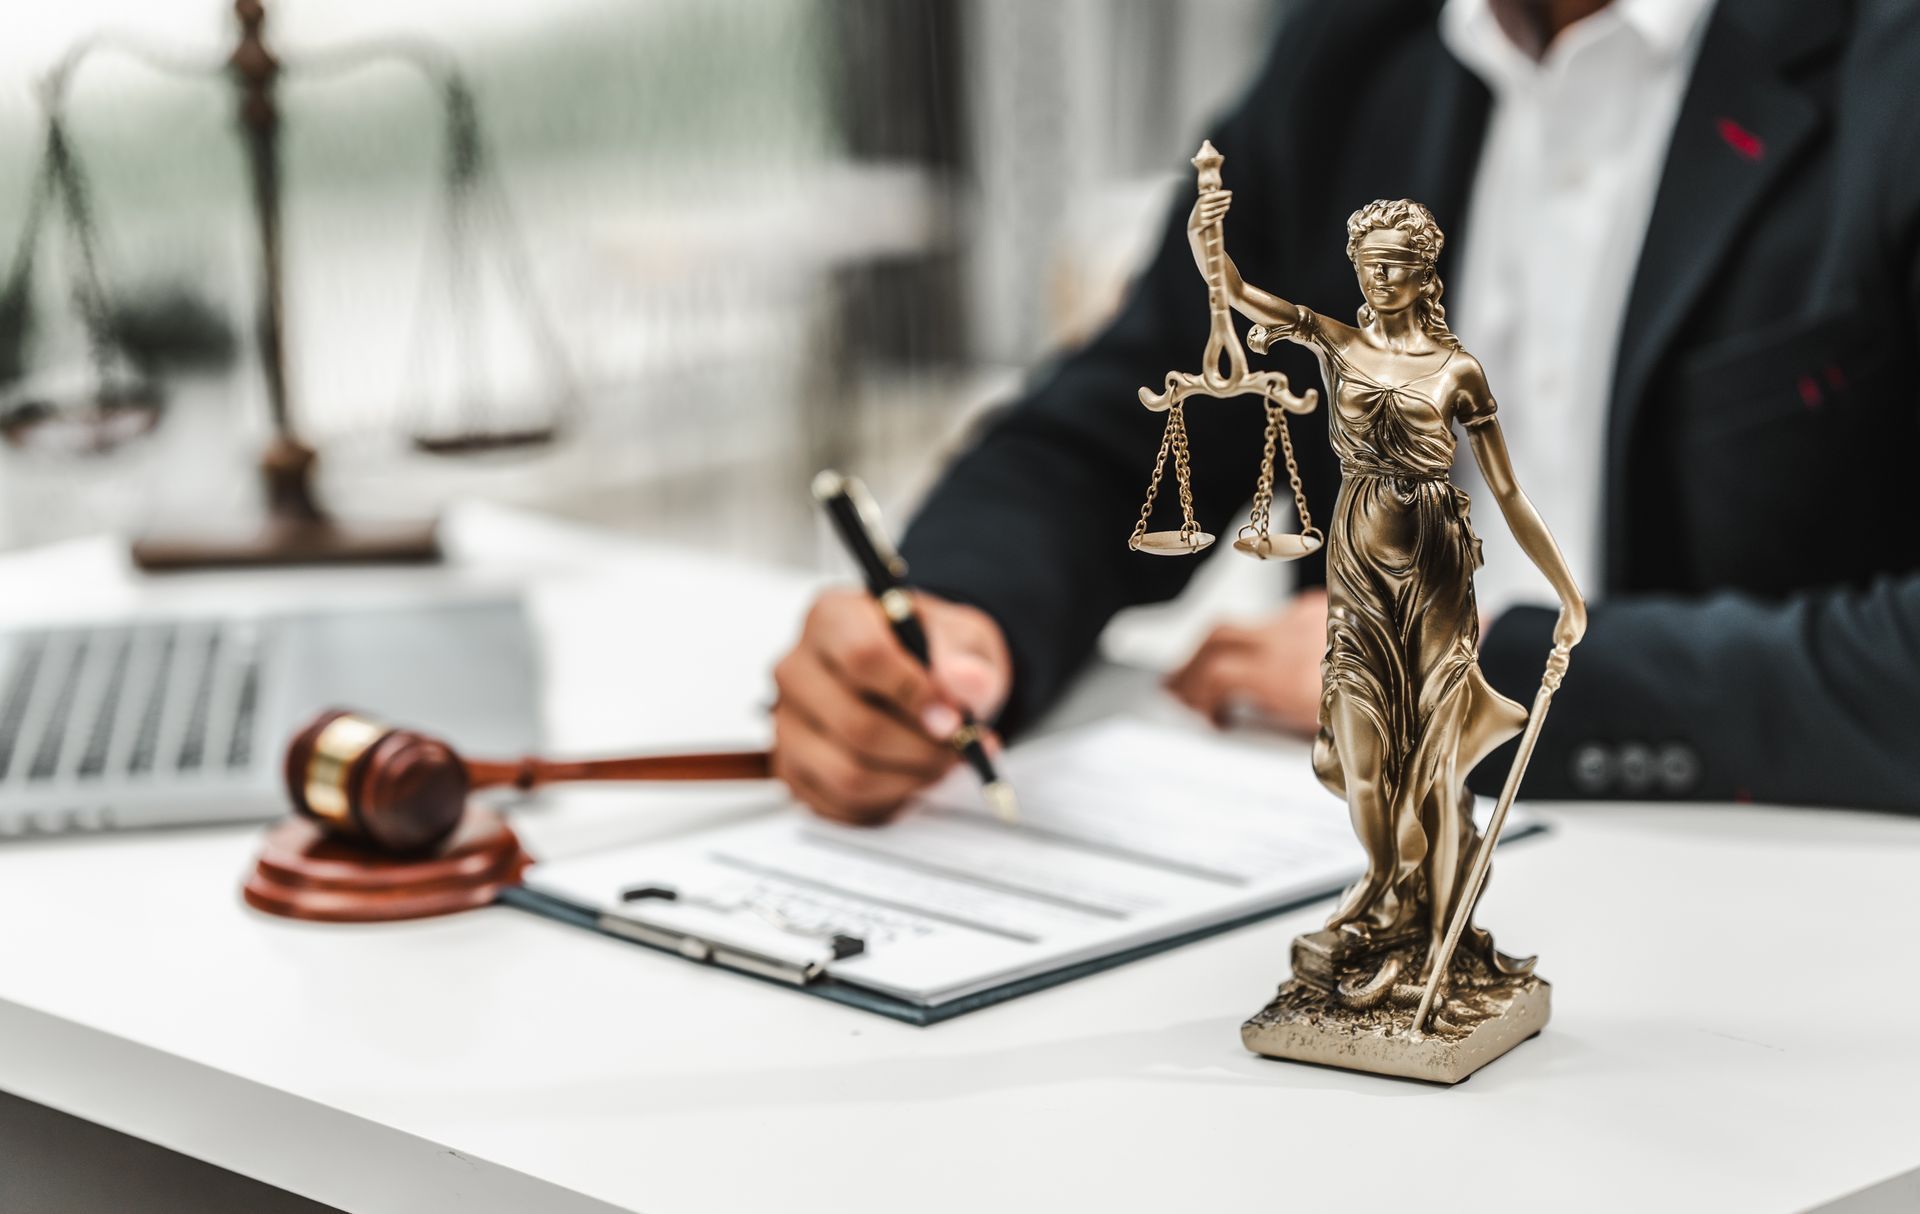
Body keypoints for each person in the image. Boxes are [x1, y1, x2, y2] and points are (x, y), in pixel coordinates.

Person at [770, 0, 1920, 823]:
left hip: (1771, 900)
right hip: (1349, 854)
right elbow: (1125, 418)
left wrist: (1475, 674)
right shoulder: (1361, 49)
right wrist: (952, 622)